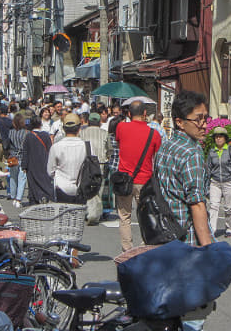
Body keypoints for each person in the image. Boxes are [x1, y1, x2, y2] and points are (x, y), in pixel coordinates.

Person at [154, 90, 212, 331]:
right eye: (198, 119)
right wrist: (208, 249)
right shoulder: (191, 152)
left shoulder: (166, 147)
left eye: (206, 118)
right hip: (186, 242)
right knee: (192, 315)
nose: (204, 125)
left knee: (169, 310)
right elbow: (197, 204)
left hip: (164, 238)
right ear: (179, 121)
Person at [115, 100, 162, 251]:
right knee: (145, 215)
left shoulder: (121, 127)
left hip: (124, 180)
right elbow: (157, 155)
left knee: (124, 216)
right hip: (145, 180)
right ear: (145, 114)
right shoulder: (153, 133)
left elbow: (118, 142)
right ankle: (144, 246)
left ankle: (127, 249)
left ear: (129, 114)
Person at [205, 127, 231, 237]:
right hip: (215, 182)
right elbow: (208, 169)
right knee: (213, 206)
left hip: (229, 181)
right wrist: (206, 185)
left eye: (220, 136)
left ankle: (230, 229)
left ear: (225, 138)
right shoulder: (212, 152)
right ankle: (211, 230)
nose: (218, 139)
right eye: (216, 137)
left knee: (229, 207)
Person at [47, 113, 87, 203]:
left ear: (63, 129)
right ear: (79, 128)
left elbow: (50, 171)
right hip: (81, 187)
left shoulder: (56, 147)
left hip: (61, 187)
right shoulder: (87, 146)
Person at [80, 112, 109, 224]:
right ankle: (96, 212)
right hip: (100, 164)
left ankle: (88, 211)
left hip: (86, 163)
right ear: (99, 123)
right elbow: (109, 149)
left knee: (86, 187)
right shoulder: (104, 133)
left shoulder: (82, 133)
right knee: (99, 189)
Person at [22, 115, 54, 204]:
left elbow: (25, 152)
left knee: (33, 183)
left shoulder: (29, 136)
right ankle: (45, 196)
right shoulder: (45, 135)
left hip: (32, 164)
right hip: (44, 162)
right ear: (40, 124)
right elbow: (50, 149)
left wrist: (24, 166)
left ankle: (34, 199)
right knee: (44, 181)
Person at [7, 113, 29, 207]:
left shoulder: (11, 132)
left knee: (13, 177)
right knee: (22, 178)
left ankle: (13, 195)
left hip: (13, 157)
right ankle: (18, 199)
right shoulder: (26, 132)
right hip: (22, 156)